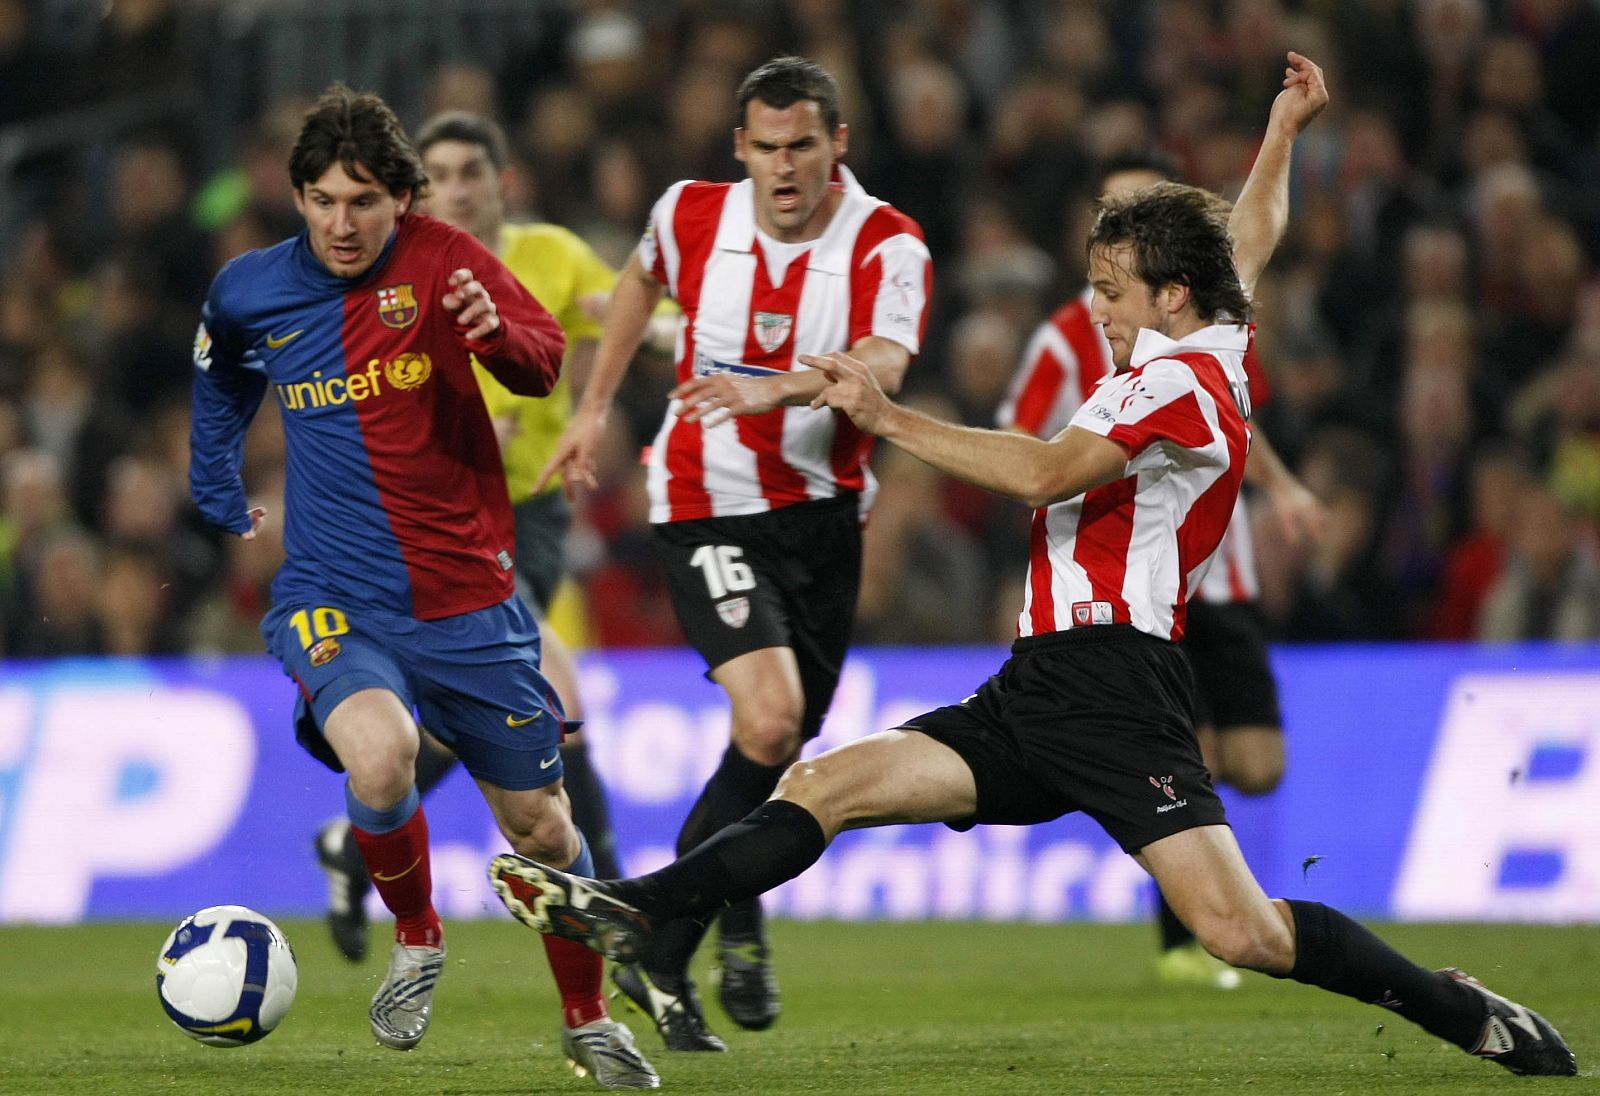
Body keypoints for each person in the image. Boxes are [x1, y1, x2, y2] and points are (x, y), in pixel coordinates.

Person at [485, 120, 1577, 1086]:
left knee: (1242, 932)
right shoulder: (1221, 340)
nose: (1093, 309)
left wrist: (885, 416)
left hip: (1115, 687)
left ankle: (1458, 1007)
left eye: (1109, 291)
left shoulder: (1177, 381)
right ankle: (645, 908)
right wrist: (1282, 128)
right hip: (1037, 684)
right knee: (826, 781)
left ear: (1169, 297)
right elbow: (1254, 232)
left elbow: (1048, 472)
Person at [188, 85, 657, 1089]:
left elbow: (539, 364)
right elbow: (221, 373)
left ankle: (586, 1018)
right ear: (298, 198)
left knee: (542, 825)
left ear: (401, 197)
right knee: (382, 750)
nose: (341, 224)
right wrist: (215, 484)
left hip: (468, 599)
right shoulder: (249, 288)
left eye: (362, 201)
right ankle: (418, 932)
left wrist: (493, 332)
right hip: (331, 591)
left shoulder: (448, 260)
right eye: (320, 201)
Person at [535, 55, 931, 1051]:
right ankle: (701, 921)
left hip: (826, 517)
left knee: (779, 754)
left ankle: (671, 947)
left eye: (803, 145)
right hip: (705, 502)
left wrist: (785, 386)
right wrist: (589, 412)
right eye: (766, 147)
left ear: (837, 144)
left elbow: (884, 363)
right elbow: (633, 286)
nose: (784, 167)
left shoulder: (887, 242)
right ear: (739, 148)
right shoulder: (689, 215)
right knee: (771, 718)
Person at [998, 57, 1327, 989]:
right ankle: (1187, 931)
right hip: (1120, 580)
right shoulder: (1075, 335)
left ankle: (1210, 904)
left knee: (1253, 762)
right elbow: (1037, 456)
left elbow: (1252, 236)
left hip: (1207, 569)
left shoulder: (1199, 332)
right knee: (1190, 754)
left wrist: (1282, 133)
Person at [311, 108, 631, 972]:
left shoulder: (551, 255)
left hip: (536, 513)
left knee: (479, 717)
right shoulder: (391, 274)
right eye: (440, 174)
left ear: (502, 183)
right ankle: (627, 924)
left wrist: (686, 333)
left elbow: (614, 310)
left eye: (470, 172)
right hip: (446, 523)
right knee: (557, 702)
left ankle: (356, 838)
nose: (456, 188)